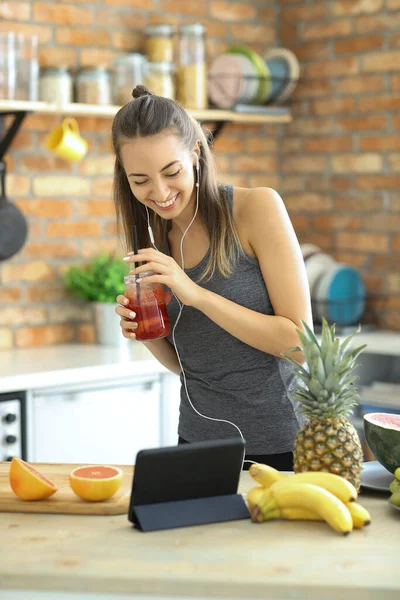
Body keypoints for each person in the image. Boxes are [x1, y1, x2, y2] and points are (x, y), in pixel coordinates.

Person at [113, 85, 313, 471]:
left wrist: (195, 294)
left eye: (171, 172)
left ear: (196, 153)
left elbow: (298, 343)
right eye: (140, 180)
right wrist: (143, 333)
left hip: (281, 446)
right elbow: (192, 367)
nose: (159, 191)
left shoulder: (256, 208)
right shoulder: (151, 241)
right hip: (196, 445)